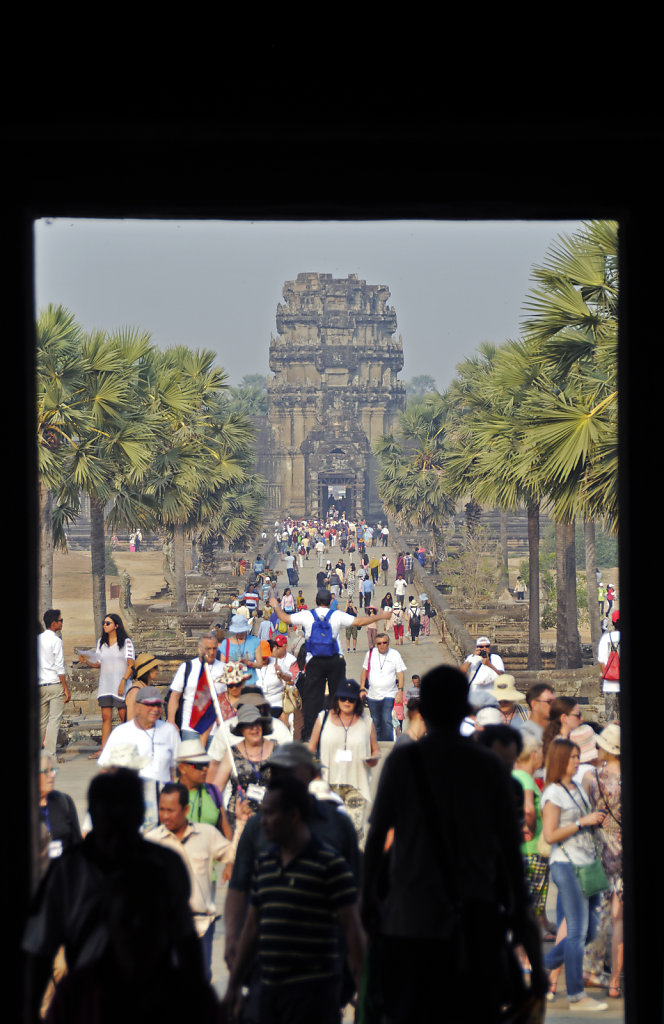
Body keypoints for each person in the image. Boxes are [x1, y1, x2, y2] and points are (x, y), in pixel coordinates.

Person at [361, 665, 547, 1022]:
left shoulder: (403, 761)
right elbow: (510, 860)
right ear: (467, 709)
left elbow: (375, 839)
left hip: (411, 918)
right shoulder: (487, 767)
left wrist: (370, 899)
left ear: (422, 710)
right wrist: (535, 966)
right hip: (474, 923)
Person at [23, 769, 203, 1024]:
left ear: (139, 814)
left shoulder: (164, 865)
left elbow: (187, 940)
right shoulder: (69, 872)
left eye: (124, 811)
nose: (117, 820)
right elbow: (40, 953)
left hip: (154, 998)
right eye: (111, 812)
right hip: (93, 1000)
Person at [224, 775, 365, 1024]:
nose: (262, 822)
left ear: (293, 816)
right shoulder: (266, 864)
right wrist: (234, 985)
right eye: (262, 814)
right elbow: (253, 927)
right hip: (269, 994)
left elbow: (352, 930)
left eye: (270, 814)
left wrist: (363, 987)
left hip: (314, 999)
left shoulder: (330, 865)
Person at [146, 781, 242, 979]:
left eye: (171, 810)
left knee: (199, 983)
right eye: (161, 810)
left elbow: (233, 854)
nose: (164, 816)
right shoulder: (151, 841)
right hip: (165, 929)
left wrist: (241, 823)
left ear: (186, 809)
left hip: (201, 927)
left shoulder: (206, 835)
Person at [269, 590, 391, 742]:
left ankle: (309, 737)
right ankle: (341, 732)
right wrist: (381, 616)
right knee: (338, 697)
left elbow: (285, 618)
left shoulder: (307, 615)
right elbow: (359, 622)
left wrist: (275, 605)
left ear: (316, 600)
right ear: (330, 602)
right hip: (335, 660)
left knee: (313, 699)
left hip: (314, 661)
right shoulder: (336, 615)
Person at [541, 739, 609, 1010]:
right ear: (559, 760)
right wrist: (583, 821)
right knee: (578, 931)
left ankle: (541, 968)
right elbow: (550, 835)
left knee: (589, 929)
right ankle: (576, 996)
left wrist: (594, 818)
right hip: (566, 865)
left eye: (577, 756)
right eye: (571, 757)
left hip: (586, 864)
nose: (576, 761)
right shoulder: (553, 793)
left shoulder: (577, 788)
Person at [308, 678, 380, 846]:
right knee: (326, 837)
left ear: (357, 701)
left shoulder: (367, 722)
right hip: (327, 786)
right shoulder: (323, 718)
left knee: (353, 839)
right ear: (337, 698)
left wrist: (373, 759)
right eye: (343, 698)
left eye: (351, 699)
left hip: (356, 787)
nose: (347, 702)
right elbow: (311, 748)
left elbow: (375, 749)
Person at [98, 686, 181, 829]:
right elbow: (106, 773)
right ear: (137, 707)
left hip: (163, 808)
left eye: (158, 705)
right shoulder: (121, 733)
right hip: (130, 805)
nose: (155, 709)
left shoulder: (170, 731)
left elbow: (177, 770)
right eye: (150, 705)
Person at [583, 723, 623, 998]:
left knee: (599, 911)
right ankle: (615, 981)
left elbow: (585, 809)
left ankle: (592, 968)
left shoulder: (592, 777)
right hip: (623, 850)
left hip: (599, 848)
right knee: (620, 919)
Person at [207, 703, 276, 830]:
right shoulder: (231, 754)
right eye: (249, 725)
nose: (254, 729)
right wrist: (223, 821)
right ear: (241, 729)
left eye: (257, 723)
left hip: (271, 821)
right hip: (238, 821)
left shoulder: (277, 751)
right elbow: (216, 790)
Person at [81, 613, 135, 759]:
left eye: (108, 623)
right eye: (104, 623)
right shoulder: (101, 643)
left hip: (121, 685)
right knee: (106, 718)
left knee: (125, 719)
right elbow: (99, 663)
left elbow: (131, 664)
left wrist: (123, 681)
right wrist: (86, 661)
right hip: (105, 686)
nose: (104, 625)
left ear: (116, 625)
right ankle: (103, 750)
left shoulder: (126, 642)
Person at [167, 632, 227, 744]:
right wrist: (171, 719)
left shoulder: (224, 669)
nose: (212, 652)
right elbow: (175, 695)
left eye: (214, 648)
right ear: (199, 648)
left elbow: (229, 698)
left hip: (216, 730)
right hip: (190, 728)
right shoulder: (187, 668)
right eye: (208, 649)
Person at [175, 738, 232, 837]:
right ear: (182, 768)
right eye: (199, 766)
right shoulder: (169, 792)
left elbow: (226, 829)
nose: (205, 769)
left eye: (206, 764)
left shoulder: (213, 791)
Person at [360, 632, 406, 741]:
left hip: (389, 694)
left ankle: (388, 745)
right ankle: (378, 745)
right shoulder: (370, 654)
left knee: (386, 719)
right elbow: (364, 670)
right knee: (376, 722)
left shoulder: (394, 654)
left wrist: (400, 691)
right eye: (379, 643)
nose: (382, 645)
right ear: (376, 644)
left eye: (384, 642)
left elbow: (400, 674)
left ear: (388, 643)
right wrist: (362, 688)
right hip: (373, 695)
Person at [38, 610, 71, 759]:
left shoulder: (37, 639)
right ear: (54, 623)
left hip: (40, 685)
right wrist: (65, 688)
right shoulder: (56, 640)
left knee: (42, 721)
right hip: (54, 683)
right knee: (54, 720)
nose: (62, 622)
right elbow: (59, 667)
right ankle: (50, 753)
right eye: (60, 620)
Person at [39, 751, 82, 861]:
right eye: (47, 771)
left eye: (53, 770)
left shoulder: (63, 801)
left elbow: (77, 845)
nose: (52, 775)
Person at [598, 610, 620, 722]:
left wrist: (607, 675)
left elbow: (602, 661)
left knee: (610, 719)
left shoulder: (606, 638)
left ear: (613, 622)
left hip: (610, 684)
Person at [125, 652, 160, 720]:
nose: (158, 670)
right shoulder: (136, 691)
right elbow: (130, 720)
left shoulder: (144, 687)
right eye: (155, 667)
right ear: (148, 671)